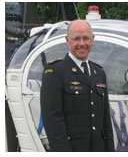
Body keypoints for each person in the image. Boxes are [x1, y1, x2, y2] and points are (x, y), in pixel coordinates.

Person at [40, 20, 114, 152]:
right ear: (67, 41)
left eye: (86, 38)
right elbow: (53, 122)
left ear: (92, 39)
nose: (82, 43)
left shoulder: (99, 73)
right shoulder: (55, 72)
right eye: (76, 39)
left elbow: (105, 120)